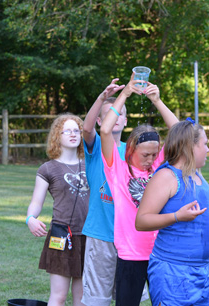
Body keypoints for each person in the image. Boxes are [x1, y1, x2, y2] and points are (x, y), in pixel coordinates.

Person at [135, 118, 209, 306]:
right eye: (205, 144)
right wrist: (176, 216)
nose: (208, 149)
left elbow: (200, 221)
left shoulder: (198, 175)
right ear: (189, 147)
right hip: (173, 274)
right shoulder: (166, 177)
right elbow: (141, 221)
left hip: (203, 272)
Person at [100, 73, 179, 306]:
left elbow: (178, 131)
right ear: (132, 148)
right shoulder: (117, 167)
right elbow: (105, 131)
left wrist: (157, 100)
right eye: (146, 155)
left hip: (160, 253)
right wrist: (124, 94)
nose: (151, 159)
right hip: (131, 255)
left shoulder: (158, 166)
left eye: (155, 154)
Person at [26, 113, 90, 306]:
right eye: (67, 131)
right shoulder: (48, 169)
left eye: (76, 130)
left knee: (82, 298)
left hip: (88, 235)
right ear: (57, 136)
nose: (73, 134)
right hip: (61, 236)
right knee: (59, 296)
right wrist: (30, 218)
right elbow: (37, 201)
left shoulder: (91, 164)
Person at [80, 78, 127, 306]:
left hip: (129, 237)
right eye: (109, 114)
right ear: (101, 120)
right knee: (97, 300)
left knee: (127, 298)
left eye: (118, 114)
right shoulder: (96, 145)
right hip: (100, 234)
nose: (114, 118)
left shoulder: (134, 150)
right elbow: (86, 129)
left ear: (125, 120)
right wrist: (102, 97)